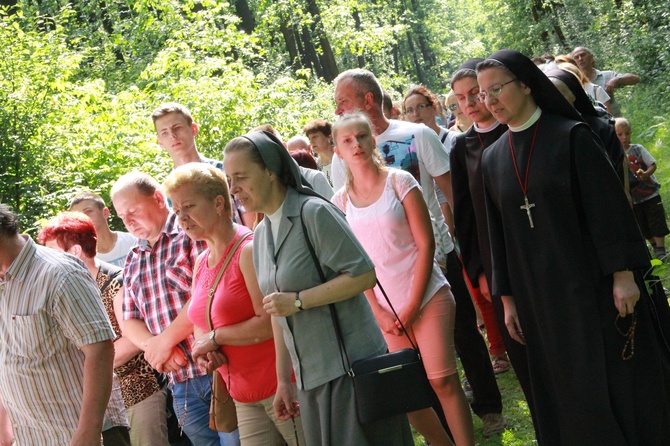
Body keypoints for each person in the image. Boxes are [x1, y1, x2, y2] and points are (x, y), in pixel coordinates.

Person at [476, 49, 669, 445]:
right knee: (562, 385)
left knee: (610, 377)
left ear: (527, 84)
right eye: (482, 94)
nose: (489, 101)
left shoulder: (571, 136)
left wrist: (623, 274)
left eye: (496, 89)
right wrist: (508, 299)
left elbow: (608, 211)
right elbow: (497, 236)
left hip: (591, 287)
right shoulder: (493, 158)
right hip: (537, 298)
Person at [223, 130, 413, 445]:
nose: (234, 189)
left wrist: (299, 301)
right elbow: (276, 311)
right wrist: (284, 381)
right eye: (230, 180)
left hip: (351, 371)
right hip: (310, 381)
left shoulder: (315, 212)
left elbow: (363, 275)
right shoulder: (261, 233)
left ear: (270, 171)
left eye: (241, 177)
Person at [331, 113, 475, 446]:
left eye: (362, 136)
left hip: (426, 295)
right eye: (347, 140)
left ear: (372, 139)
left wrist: (411, 304)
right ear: (337, 150)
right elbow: (353, 268)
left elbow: (426, 244)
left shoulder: (399, 181)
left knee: (442, 380)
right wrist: (379, 312)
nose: (356, 145)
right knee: (407, 393)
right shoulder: (339, 203)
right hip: (384, 311)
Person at [162, 163, 306, 445]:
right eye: (177, 211)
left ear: (218, 203)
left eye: (189, 206)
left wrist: (215, 338)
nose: (182, 218)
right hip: (241, 395)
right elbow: (201, 322)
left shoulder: (248, 249)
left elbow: (268, 323)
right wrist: (205, 351)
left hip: (281, 387)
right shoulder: (202, 260)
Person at [403, 85, 508, 436]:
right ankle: (446, 418)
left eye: (420, 107)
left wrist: (457, 234)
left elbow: (451, 192)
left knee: (465, 330)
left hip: (443, 245)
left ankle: (488, 405)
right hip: (408, 260)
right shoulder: (393, 143)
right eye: (409, 109)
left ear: (433, 107)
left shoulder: (444, 140)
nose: (415, 114)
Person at [110, 171, 240, 446]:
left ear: (158, 198)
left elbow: (203, 295)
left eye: (133, 211)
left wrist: (163, 343)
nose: (128, 222)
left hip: (218, 366)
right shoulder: (133, 259)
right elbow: (130, 319)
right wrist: (155, 348)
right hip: (180, 381)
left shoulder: (192, 232)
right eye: (122, 217)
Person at [449, 59, 536, 433]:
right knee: (521, 349)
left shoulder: (517, 130)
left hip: (535, 252)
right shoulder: (460, 148)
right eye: (459, 99)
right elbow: (464, 219)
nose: (469, 104)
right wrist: (479, 271)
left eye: (475, 94)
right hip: (495, 263)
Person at [37, 211, 168, 446]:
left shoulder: (116, 281)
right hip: (101, 401)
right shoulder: (68, 288)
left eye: (52, 252)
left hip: (138, 391)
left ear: (75, 251)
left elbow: (132, 340)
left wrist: (90, 363)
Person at [0, 203, 115, 445]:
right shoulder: (3, 281)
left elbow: (100, 350)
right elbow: (7, 359)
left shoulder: (59, 273)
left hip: (72, 434)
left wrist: (89, 431)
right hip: (28, 437)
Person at [331, 69, 453, 272]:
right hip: (387, 270)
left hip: (439, 257)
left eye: (343, 101)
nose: (337, 111)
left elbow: (452, 194)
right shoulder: (341, 157)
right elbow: (348, 218)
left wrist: (469, 250)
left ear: (368, 100)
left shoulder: (420, 134)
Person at [152, 102, 255, 228]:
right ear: (160, 142)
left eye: (177, 127)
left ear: (193, 129)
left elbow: (251, 216)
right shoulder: (167, 191)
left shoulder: (225, 171)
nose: (172, 136)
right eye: (164, 133)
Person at [546, 68, 626, 185]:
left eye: (560, 94)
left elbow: (618, 166)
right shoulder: (545, 133)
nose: (555, 100)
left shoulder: (600, 127)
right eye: (550, 95)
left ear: (574, 95)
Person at [615, 117, 669, 259]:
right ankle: (653, 246)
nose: (624, 137)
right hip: (635, 199)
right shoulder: (614, 156)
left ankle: (661, 248)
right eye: (619, 134)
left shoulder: (637, 149)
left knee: (656, 220)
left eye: (627, 133)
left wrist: (646, 174)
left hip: (650, 194)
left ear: (631, 132)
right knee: (642, 225)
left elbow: (652, 164)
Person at [69, 191, 137, 267]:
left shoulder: (134, 242)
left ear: (105, 213)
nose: (82, 218)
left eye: (88, 211)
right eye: (77, 215)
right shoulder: (80, 258)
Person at [570, 46, 640, 116]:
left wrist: (617, 79)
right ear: (573, 63)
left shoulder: (606, 75)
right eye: (576, 57)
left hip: (616, 121)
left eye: (583, 55)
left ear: (591, 57)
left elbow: (636, 79)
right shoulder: (574, 83)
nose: (580, 59)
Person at [302, 119, 335, 186]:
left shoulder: (342, 159)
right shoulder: (313, 164)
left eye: (315, 137)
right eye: (309, 139)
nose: (311, 142)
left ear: (329, 136)